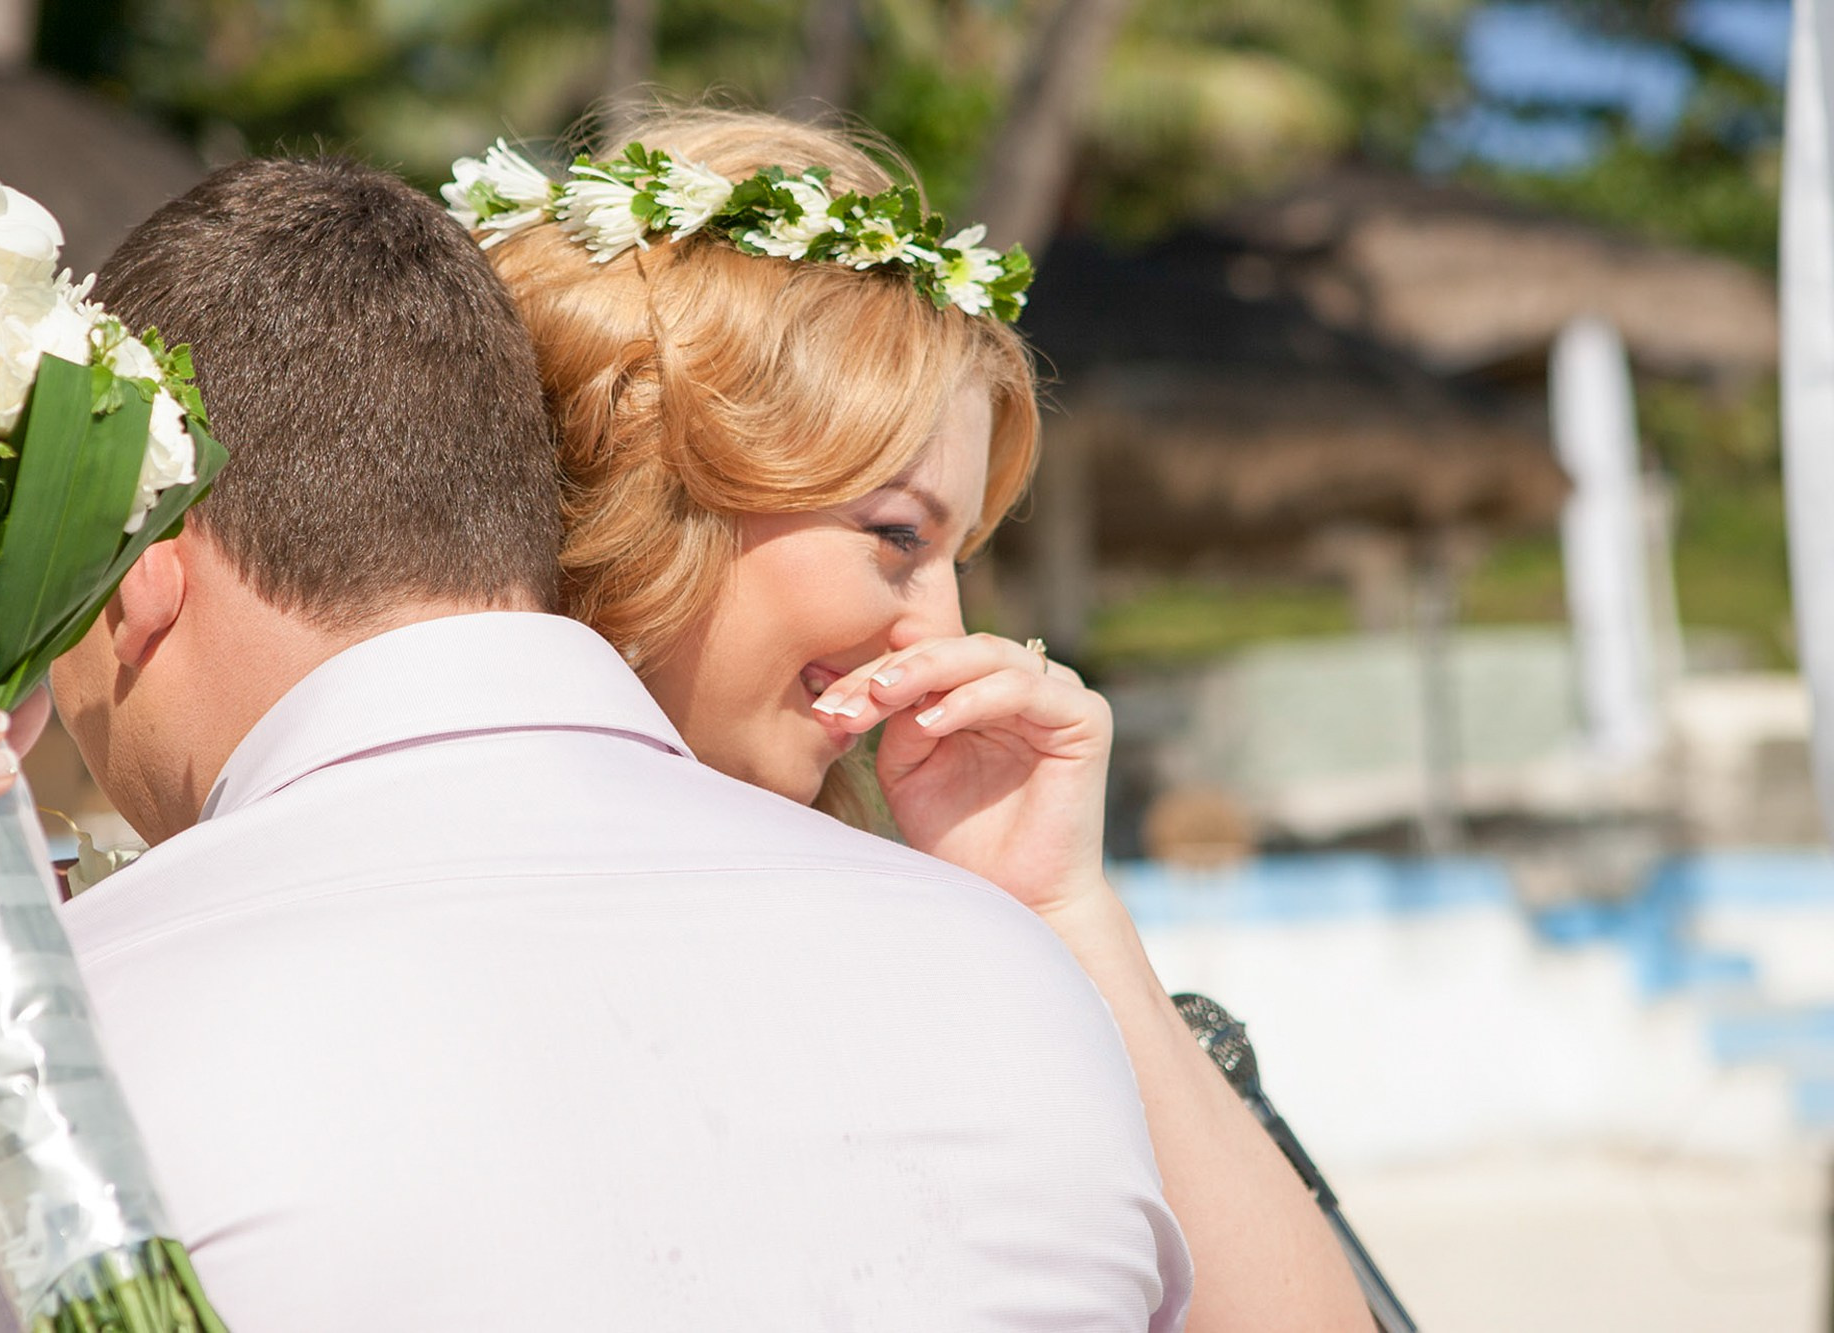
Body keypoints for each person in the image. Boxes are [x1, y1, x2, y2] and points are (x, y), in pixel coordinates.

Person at [0, 157, 1187, 1329]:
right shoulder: (1010, 976)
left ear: (140, 565)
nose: (939, 628)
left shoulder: (67, 1053)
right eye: (897, 535)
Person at [469, 108, 1372, 1333]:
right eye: (894, 537)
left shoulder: (907, 937)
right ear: (647, 486)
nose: (938, 636)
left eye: (951, 556)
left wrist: (1061, 909)